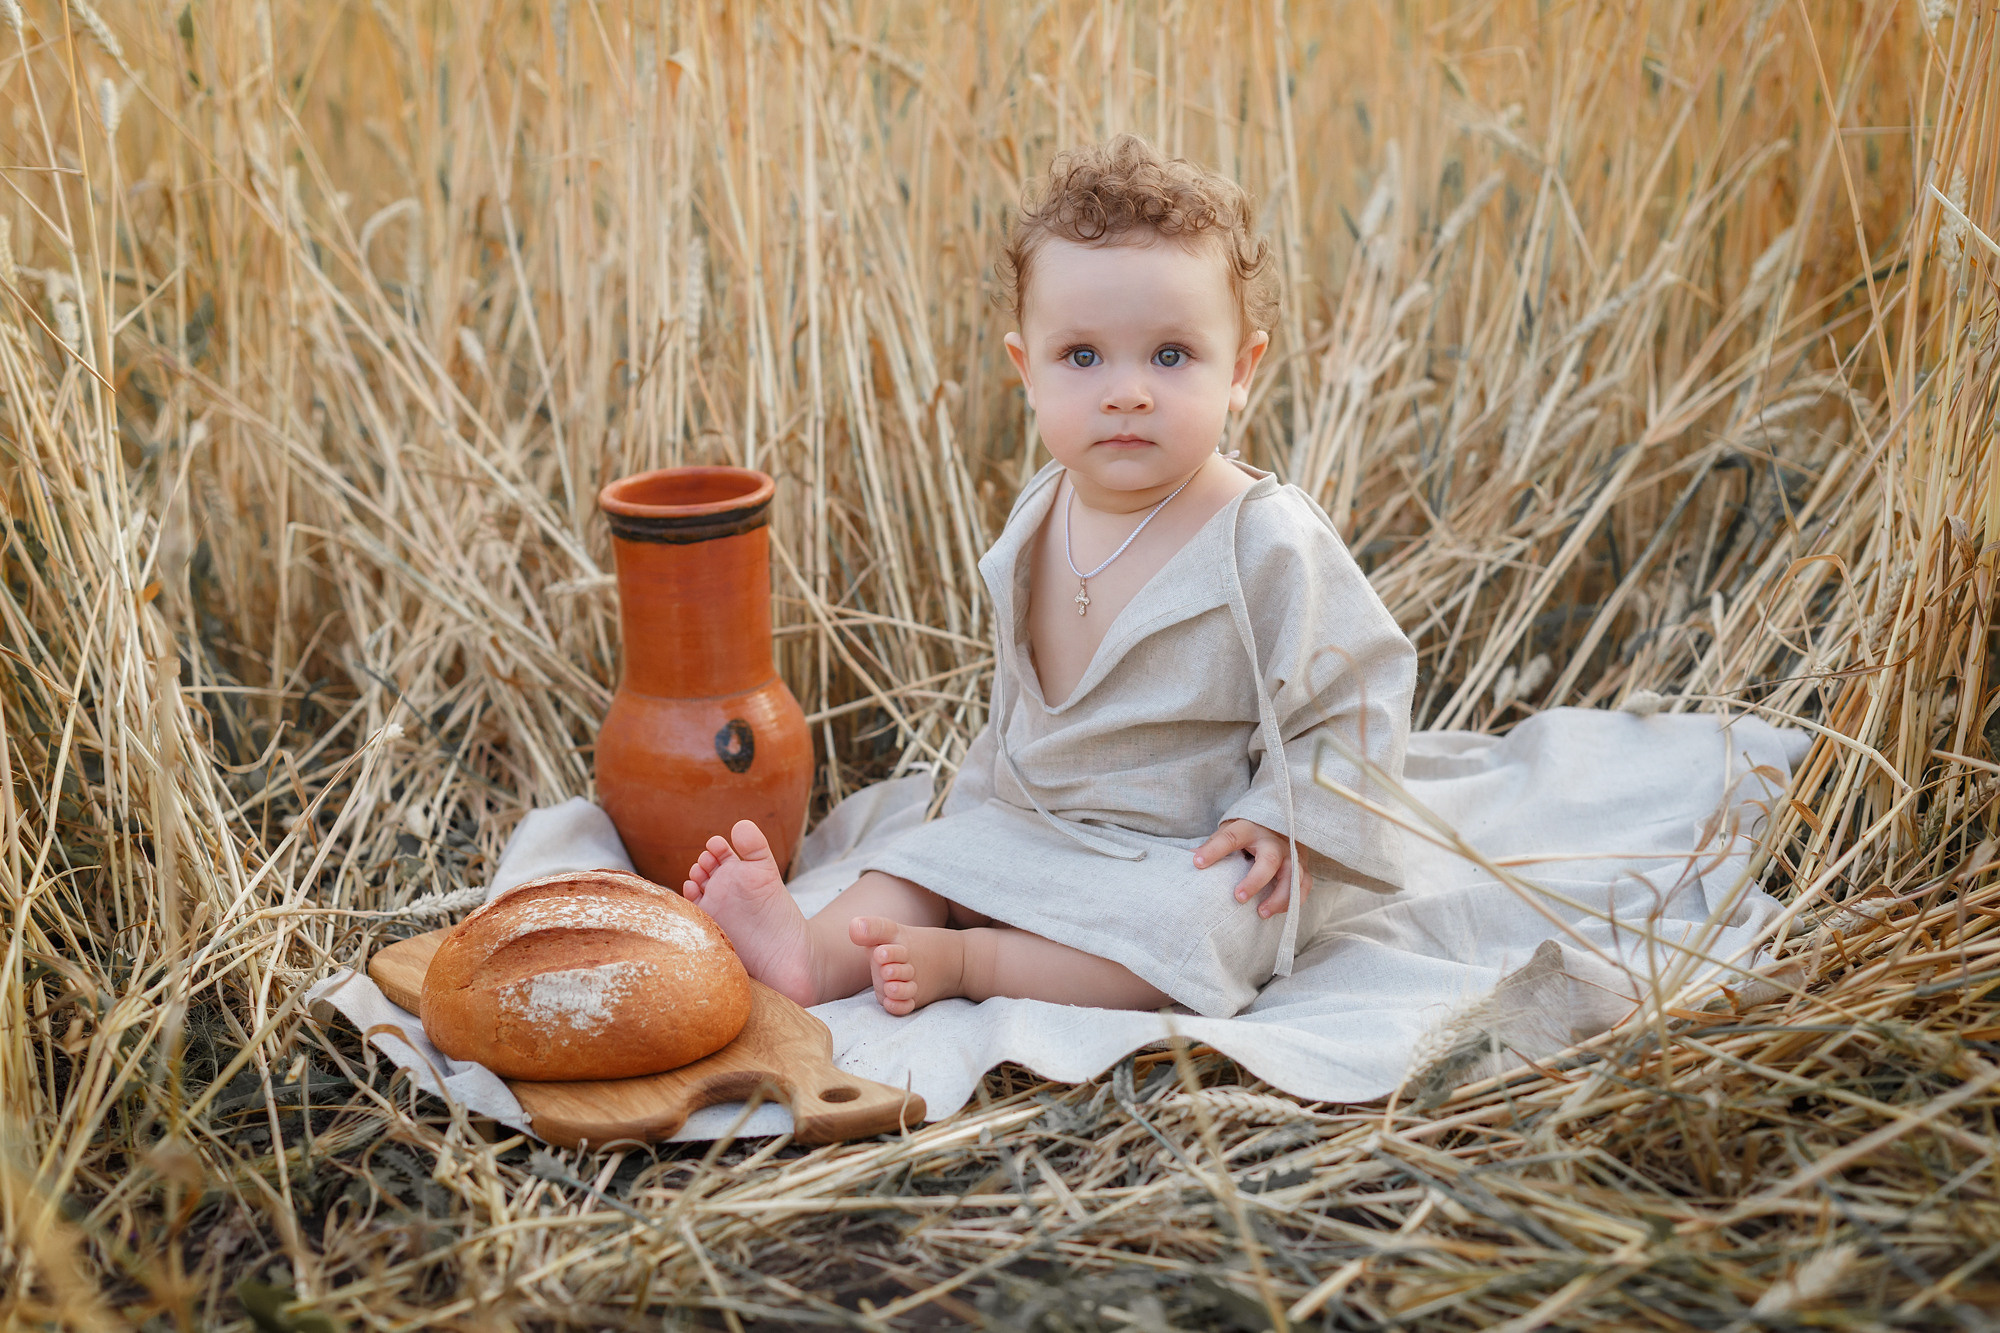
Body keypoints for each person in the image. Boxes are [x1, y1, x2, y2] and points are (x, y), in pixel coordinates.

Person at [684, 135, 1416, 1019]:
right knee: (922, 865)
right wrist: (977, 815)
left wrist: (1283, 818)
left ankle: (977, 961)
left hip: (1185, 844)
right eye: (1083, 357)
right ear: (1026, 370)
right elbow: (1016, 706)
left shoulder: (1261, 536)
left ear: (1241, 371)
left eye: (1171, 356)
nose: (1127, 392)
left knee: (1199, 929)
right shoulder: (1040, 513)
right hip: (1037, 822)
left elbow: (1360, 689)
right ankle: (809, 951)